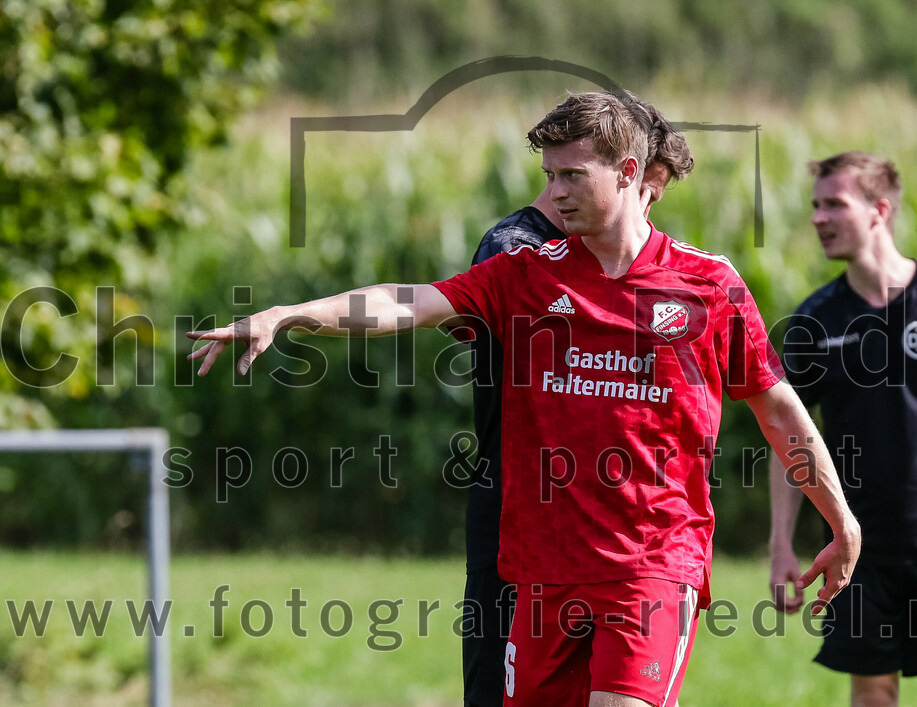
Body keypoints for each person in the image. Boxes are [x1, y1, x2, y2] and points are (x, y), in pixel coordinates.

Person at [190, 92, 861, 707]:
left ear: (629, 172)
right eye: (549, 175)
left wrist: (841, 519)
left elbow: (779, 409)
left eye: (573, 176)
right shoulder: (525, 274)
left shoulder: (706, 285)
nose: (555, 193)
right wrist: (289, 314)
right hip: (541, 572)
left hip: (651, 563)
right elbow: (407, 302)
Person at [461, 96, 694, 707]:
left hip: (618, 535)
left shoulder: (649, 267)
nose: (648, 207)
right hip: (522, 513)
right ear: (632, 172)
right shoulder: (516, 252)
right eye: (650, 190)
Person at [769, 151, 917, 707]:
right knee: (872, 696)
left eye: (834, 204)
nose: (818, 218)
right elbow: (788, 438)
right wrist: (780, 543)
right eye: (815, 205)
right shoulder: (814, 320)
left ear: (879, 210)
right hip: (856, 549)